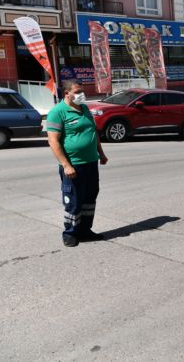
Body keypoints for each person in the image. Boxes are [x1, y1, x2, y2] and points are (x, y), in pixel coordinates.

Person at [47, 79, 108, 247]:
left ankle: (85, 230)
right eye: (77, 92)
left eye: (82, 91)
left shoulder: (85, 108)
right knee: (73, 200)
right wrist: (66, 165)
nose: (82, 95)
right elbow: (53, 141)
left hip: (91, 162)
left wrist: (101, 153)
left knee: (89, 198)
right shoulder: (57, 112)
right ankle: (70, 233)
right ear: (66, 93)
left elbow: (93, 133)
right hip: (73, 165)